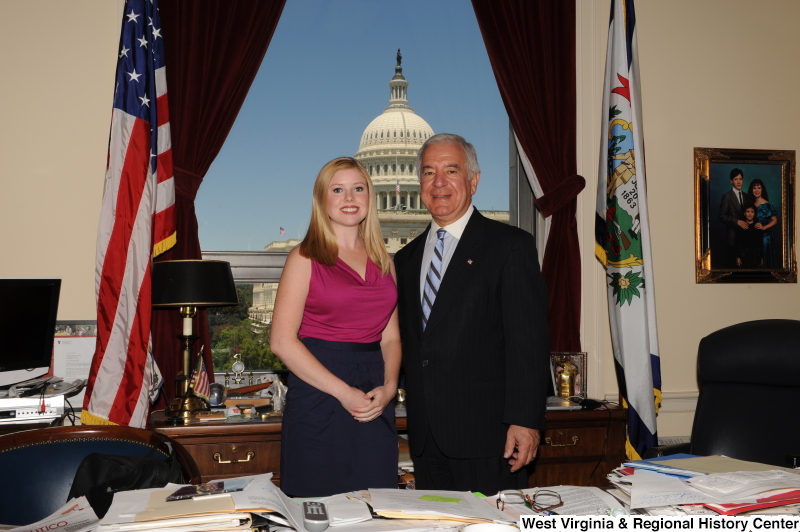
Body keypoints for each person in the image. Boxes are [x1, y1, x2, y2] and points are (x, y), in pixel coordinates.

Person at [393, 133, 550, 495]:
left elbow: (528, 343)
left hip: (491, 439)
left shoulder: (509, 246)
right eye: (429, 172)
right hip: (426, 440)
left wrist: (525, 422)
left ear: (473, 181)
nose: (439, 183)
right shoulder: (405, 259)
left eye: (451, 170)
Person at [270, 157, 401, 497]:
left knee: (377, 503)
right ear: (322, 200)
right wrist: (344, 393)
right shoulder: (304, 257)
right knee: (319, 506)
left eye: (358, 189)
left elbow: (391, 337)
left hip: (375, 395)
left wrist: (389, 387)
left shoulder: (385, 261)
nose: (349, 198)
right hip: (320, 392)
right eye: (338, 190)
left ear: (370, 197)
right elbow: (282, 342)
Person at [718, 168, 751, 268]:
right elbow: (721, 216)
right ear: (731, 181)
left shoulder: (746, 196)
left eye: (740, 179)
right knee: (732, 268)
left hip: (745, 237)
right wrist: (737, 222)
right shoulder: (727, 196)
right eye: (736, 179)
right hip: (732, 238)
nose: (738, 181)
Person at [748, 178, 779, 268]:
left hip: (764, 238)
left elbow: (775, 220)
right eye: (754, 188)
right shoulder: (750, 203)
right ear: (751, 189)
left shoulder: (767, 204)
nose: (756, 190)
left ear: (762, 189)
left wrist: (764, 227)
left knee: (764, 263)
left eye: (759, 188)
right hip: (752, 236)